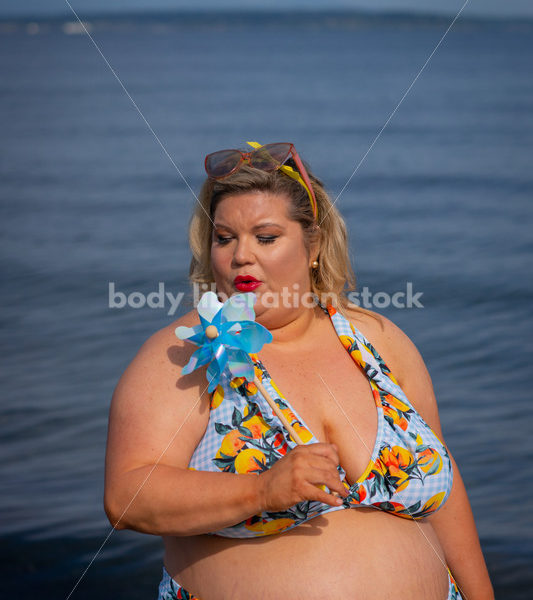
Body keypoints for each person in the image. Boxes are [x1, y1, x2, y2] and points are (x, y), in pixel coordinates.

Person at [104, 142, 494, 599]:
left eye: (265, 237)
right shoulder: (185, 351)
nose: (241, 255)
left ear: (314, 244)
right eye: (224, 237)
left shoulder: (376, 339)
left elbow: (445, 497)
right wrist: (261, 491)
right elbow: (127, 497)